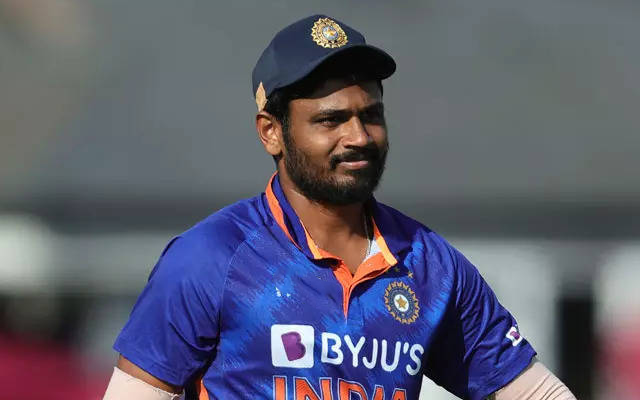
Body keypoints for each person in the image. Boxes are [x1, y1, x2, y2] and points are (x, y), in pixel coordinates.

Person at [103, 15, 576, 400]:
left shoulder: (430, 266)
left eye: (370, 115)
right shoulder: (210, 258)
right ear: (271, 132)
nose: (358, 137)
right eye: (330, 120)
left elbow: (536, 394)